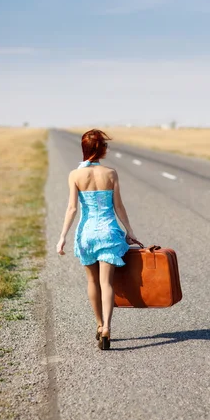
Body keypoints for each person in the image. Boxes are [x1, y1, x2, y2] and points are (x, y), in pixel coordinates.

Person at [56, 129, 138, 350]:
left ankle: (99, 323)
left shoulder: (75, 175)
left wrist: (62, 236)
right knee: (107, 283)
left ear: (84, 149)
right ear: (101, 149)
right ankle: (108, 327)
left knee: (92, 282)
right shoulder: (111, 173)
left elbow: (72, 208)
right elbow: (118, 206)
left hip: (87, 233)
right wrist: (129, 230)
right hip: (109, 232)